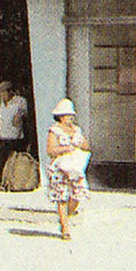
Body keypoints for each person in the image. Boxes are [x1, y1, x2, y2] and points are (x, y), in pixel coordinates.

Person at [45, 97, 90, 240]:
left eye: (71, 115)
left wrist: (81, 144)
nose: (70, 118)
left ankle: (64, 219)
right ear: (60, 116)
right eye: (67, 115)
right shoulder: (55, 131)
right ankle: (65, 228)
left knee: (77, 196)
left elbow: (87, 146)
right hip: (60, 167)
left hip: (74, 167)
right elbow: (50, 150)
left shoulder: (76, 130)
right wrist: (65, 149)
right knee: (62, 197)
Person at [0, 80, 30, 181]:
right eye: (0, 93)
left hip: (13, 137)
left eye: (3, 92)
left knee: (8, 162)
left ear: (10, 92)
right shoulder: (1, 103)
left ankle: (6, 181)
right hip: (1, 135)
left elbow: (25, 115)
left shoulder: (20, 101)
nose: (1, 95)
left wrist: (20, 116)